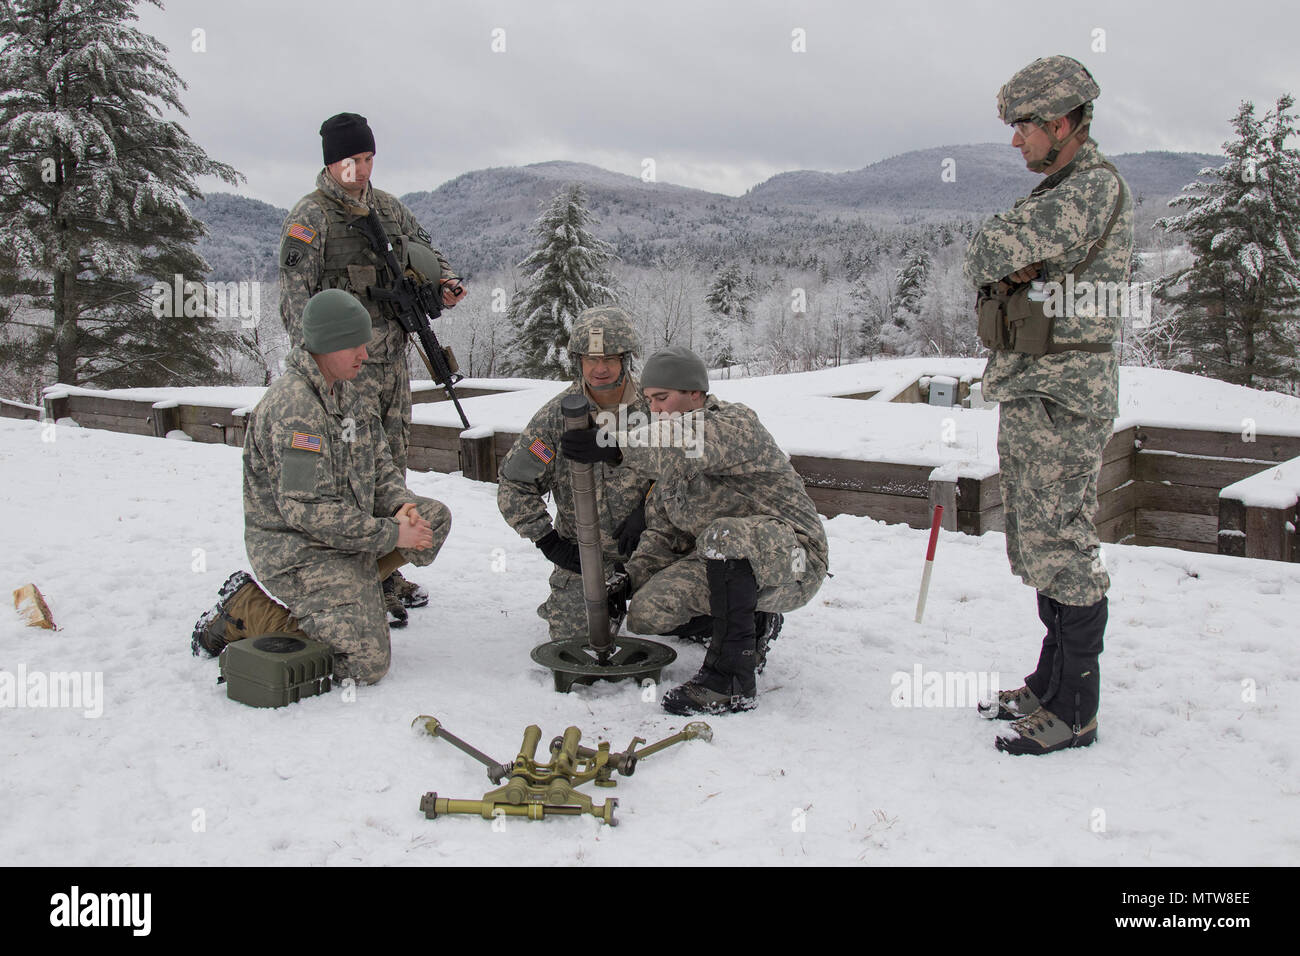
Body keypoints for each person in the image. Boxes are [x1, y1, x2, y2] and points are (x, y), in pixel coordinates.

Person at [964, 55, 1134, 754]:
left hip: (1063, 391)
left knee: (1062, 543)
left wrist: (1014, 260)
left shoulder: (1087, 190)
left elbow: (986, 251)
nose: (1015, 141)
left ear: (1061, 124)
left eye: (1023, 126)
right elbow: (1000, 260)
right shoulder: (1062, 191)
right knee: (1038, 537)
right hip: (1041, 385)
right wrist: (1017, 264)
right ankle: (1050, 681)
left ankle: (1075, 709)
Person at [192, 290, 452, 685]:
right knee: (365, 662)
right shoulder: (295, 407)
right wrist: (390, 533)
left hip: (344, 537)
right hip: (298, 549)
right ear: (326, 345)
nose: (365, 354)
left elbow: (380, 463)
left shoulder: (348, 390)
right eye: (354, 345)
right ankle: (244, 609)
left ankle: (355, 590)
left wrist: (401, 506)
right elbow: (307, 510)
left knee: (432, 520)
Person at [561, 346, 828, 715]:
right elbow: (662, 536)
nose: (654, 409)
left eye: (662, 398)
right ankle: (750, 624)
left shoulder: (733, 424)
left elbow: (686, 439)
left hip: (796, 559)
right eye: (649, 400)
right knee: (648, 612)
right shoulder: (672, 469)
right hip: (732, 562)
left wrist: (611, 444)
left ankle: (730, 682)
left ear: (695, 394)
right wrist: (629, 579)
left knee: (724, 536)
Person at [278, 111, 465, 623]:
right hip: (344, 371)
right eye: (350, 161)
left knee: (389, 466)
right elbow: (296, 309)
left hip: (392, 364)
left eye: (367, 159)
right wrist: (319, 375)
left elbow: (428, 250)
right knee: (350, 472)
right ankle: (353, 572)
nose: (361, 171)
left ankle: (386, 569)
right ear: (330, 163)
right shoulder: (309, 220)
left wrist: (445, 283)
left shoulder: (386, 209)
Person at [497, 306, 656, 642]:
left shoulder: (655, 407)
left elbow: (687, 470)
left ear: (625, 359)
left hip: (655, 547)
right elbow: (516, 482)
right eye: (590, 359)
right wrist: (548, 542)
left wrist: (648, 511)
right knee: (574, 640)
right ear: (578, 360)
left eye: (610, 359)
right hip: (586, 558)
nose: (599, 369)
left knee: (688, 609)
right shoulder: (556, 419)